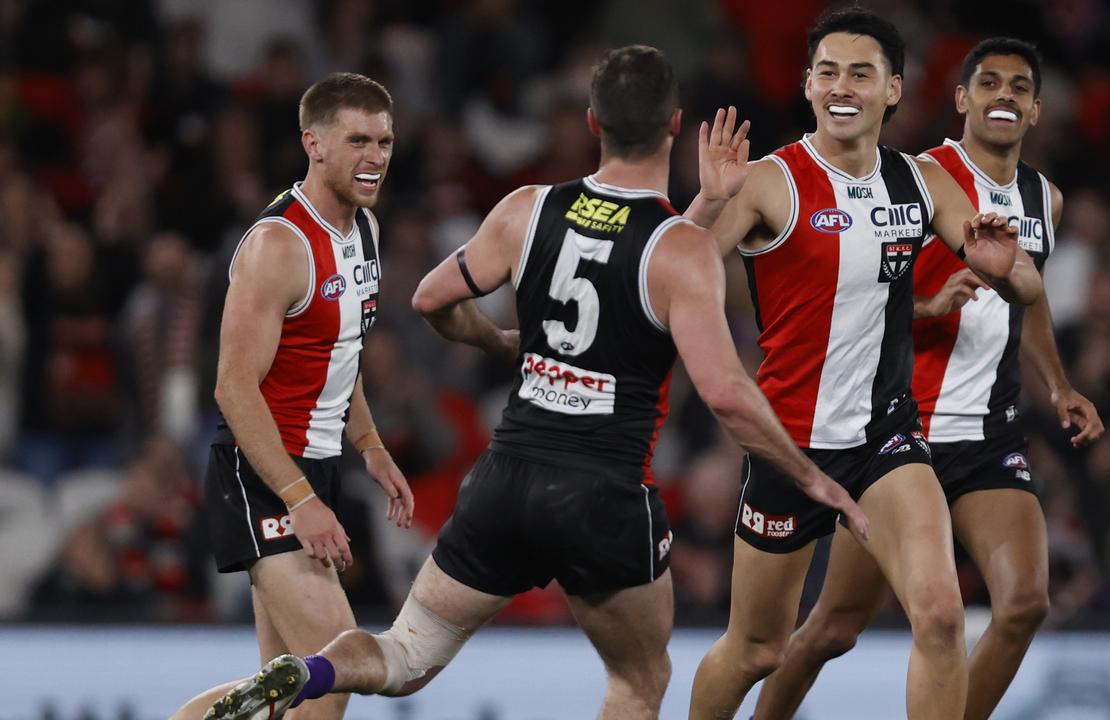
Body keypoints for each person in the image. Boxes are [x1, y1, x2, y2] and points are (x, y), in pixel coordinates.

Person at [200, 45, 866, 720]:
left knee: (402, 657)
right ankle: (304, 675)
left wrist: (497, 342)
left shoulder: (528, 208)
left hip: (505, 482)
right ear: (674, 125)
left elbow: (431, 298)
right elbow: (720, 385)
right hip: (602, 495)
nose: (376, 155)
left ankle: (309, 670)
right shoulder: (682, 249)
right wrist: (811, 476)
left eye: (383, 141)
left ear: (590, 120)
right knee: (639, 681)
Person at [682, 11, 1045, 720]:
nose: (841, 86)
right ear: (807, 85)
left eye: (860, 72)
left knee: (940, 615)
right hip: (788, 443)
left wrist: (1007, 274)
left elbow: (1026, 284)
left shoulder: (918, 184)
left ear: (894, 91)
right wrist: (705, 203)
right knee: (757, 646)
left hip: (887, 438)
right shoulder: (768, 181)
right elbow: (671, 272)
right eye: (828, 71)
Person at [749, 37, 1107, 720]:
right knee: (833, 628)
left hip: (987, 436)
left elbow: (1028, 294)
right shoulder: (917, 178)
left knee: (1026, 602)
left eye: (1020, 88)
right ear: (961, 100)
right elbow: (854, 294)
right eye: (991, 84)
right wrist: (927, 307)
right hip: (898, 434)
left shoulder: (1045, 199)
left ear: (1035, 111)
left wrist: (1059, 384)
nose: (1006, 95)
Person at [172, 72, 415, 720]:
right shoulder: (277, 245)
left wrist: (369, 444)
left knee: (284, 694)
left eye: (385, 141)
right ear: (314, 143)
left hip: (312, 469)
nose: (377, 156)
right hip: (263, 475)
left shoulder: (366, 230)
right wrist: (300, 499)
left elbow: (342, 353)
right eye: (358, 139)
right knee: (333, 675)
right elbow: (232, 387)